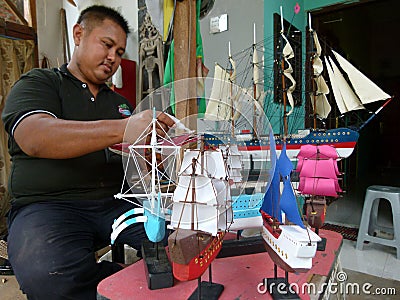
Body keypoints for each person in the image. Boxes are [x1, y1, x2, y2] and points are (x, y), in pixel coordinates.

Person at [2, 5, 174, 299]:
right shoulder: (40, 83)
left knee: (186, 245)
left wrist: (160, 153)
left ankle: (123, 280)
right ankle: (116, 279)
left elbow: (139, 167)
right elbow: (34, 137)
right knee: (48, 275)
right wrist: (122, 129)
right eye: (107, 45)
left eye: (119, 52)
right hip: (47, 207)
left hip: (116, 204)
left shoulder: (119, 103)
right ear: (78, 34)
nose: (113, 58)